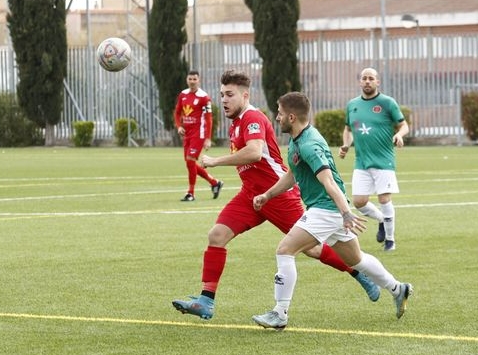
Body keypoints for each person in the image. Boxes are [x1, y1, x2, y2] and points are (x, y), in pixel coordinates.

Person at [172, 70, 380, 321]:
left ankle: (359, 273)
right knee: (217, 235)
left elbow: (255, 152)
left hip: (278, 195)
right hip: (251, 195)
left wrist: (216, 161)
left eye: (229, 95)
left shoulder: (252, 118)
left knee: (312, 250)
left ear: (245, 95)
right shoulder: (236, 122)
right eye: (221, 95)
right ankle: (206, 300)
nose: (224, 100)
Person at [251, 91, 412, 330]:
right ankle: (398, 288)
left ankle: (279, 313)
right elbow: (293, 174)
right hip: (331, 212)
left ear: (292, 117)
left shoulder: (309, 144)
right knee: (356, 260)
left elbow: (328, 181)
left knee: (285, 250)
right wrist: (268, 195)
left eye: (281, 113)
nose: (277, 117)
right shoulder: (298, 139)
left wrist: (345, 213)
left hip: (326, 210)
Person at [339, 67, 409, 251]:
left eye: (371, 78)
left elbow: (404, 126)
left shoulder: (387, 103)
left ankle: (390, 241)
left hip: (383, 160)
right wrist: (346, 145)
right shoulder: (352, 104)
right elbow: (348, 129)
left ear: (378, 82)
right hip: (361, 161)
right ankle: (381, 221)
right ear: (360, 82)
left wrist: (399, 135)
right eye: (364, 78)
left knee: (384, 199)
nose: (367, 81)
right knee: (359, 202)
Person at [173, 70, 223, 202]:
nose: (192, 81)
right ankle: (214, 182)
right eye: (190, 79)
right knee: (190, 163)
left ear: (198, 80)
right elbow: (177, 113)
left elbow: (208, 119)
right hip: (187, 135)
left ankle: (191, 193)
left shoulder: (204, 97)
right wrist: (179, 126)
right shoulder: (183, 95)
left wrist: (207, 138)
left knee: (190, 161)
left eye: (195, 79)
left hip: (198, 134)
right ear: (187, 80)